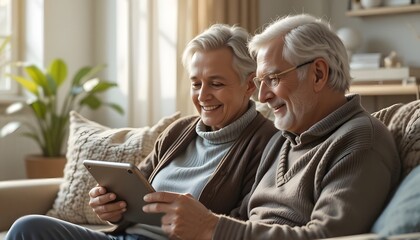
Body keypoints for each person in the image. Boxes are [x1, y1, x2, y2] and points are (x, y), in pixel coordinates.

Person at [138, 14, 402, 239]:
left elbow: (326, 236)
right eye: (260, 81)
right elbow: (241, 219)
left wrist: (210, 226)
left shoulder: (360, 140)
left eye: (273, 78)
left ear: (319, 74)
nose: (262, 95)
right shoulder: (282, 140)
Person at [5, 24, 277, 240]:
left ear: (250, 85)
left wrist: (201, 224)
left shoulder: (267, 143)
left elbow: (251, 226)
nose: (203, 95)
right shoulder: (179, 131)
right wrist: (112, 208)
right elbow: (139, 188)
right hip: (127, 237)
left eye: (216, 83)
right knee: (28, 228)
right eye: (196, 84)